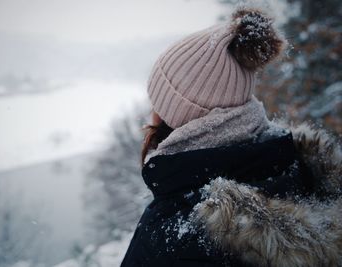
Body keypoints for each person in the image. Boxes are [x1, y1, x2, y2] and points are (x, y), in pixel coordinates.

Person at [120, 7, 342, 267]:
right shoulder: (301, 172)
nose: (152, 114)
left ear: (178, 116)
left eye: (157, 102)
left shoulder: (171, 234)